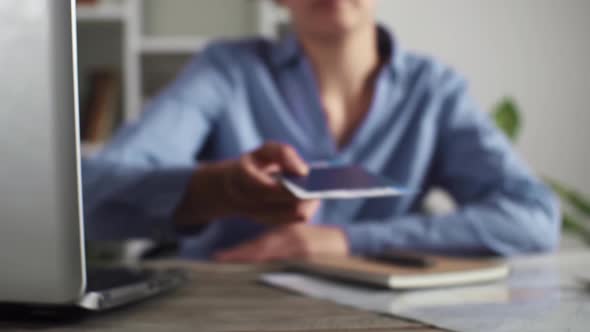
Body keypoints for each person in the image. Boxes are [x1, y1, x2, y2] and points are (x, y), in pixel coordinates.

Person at [82, 0, 560, 261]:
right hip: (231, 309)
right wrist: (215, 189)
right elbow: (87, 194)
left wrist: (345, 240)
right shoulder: (226, 70)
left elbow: (533, 216)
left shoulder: (434, 92)